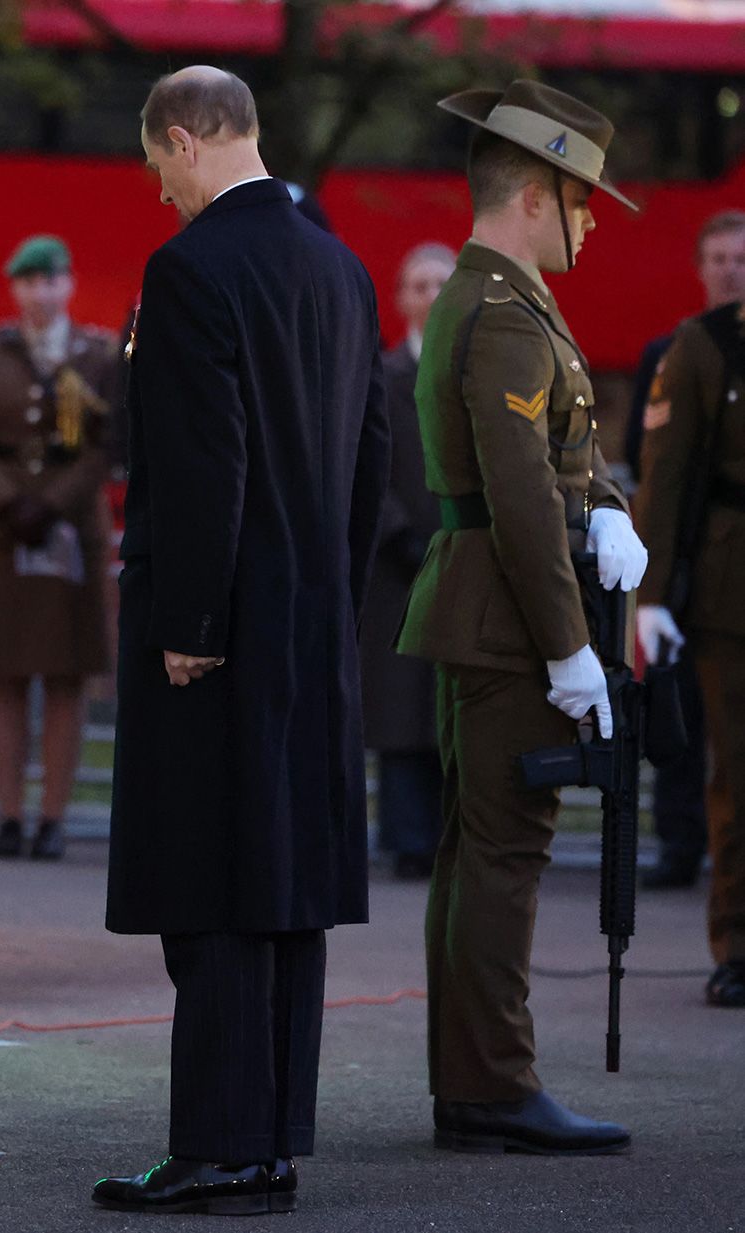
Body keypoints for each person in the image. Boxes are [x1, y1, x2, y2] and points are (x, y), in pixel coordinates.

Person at [95, 66, 389, 1216]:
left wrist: (191, 627)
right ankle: (268, 1143)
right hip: (311, 629)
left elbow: (199, 466)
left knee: (209, 886)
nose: (157, 189)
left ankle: (217, 1146)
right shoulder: (340, 266)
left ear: (182, 137)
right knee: (284, 891)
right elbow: (370, 459)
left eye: (155, 163)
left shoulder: (189, 269)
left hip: (217, 633)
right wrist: (332, 603)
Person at [395, 80, 645, 1155]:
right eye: (582, 200)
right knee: (503, 855)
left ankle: (475, 1083)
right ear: (537, 195)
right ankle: (492, 1084)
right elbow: (518, 500)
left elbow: (558, 474)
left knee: (477, 854)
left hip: (487, 616)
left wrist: (609, 513)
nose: (589, 221)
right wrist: (569, 648)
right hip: (506, 626)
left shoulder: (500, 301)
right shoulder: (498, 310)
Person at [0, 234, 115, 862]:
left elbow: (106, 443)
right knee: (6, 677)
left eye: (50, 280)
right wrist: (10, 502)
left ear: (69, 285)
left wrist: (51, 504)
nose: (39, 293)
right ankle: (9, 815)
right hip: (3, 532)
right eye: (27, 281)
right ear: (13, 288)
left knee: (67, 677)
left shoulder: (96, 354)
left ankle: (53, 819)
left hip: (72, 531)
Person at [620, 212, 745, 887]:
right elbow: (655, 473)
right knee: (693, 724)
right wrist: (654, 591)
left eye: (741, 259)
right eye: (719, 258)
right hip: (709, 569)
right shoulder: (678, 350)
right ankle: (679, 846)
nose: (731, 270)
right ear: (700, 268)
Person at [362, 243, 455, 881]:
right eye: (418, 285)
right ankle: (408, 840)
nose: (430, 296)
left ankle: (457, 838)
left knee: (455, 708)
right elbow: (365, 467)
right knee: (401, 712)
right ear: (400, 299)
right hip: (397, 569)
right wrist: (402, 536)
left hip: (466, 564)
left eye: (441, 284)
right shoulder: (379, 375)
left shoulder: (478, 375)